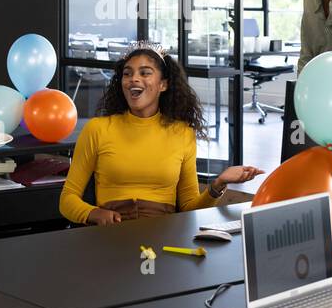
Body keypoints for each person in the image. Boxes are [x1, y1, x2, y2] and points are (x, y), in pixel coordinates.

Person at [60, 43, 263, 225]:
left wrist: (219, 184)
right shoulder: (97, 129)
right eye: (127, 73)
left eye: (145, 73)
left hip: (164, 235)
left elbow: (190, 209)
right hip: (112, 235)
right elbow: (67, 199)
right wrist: (94, 213)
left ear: (163, 84)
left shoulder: (182, 133)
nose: (134, 79)